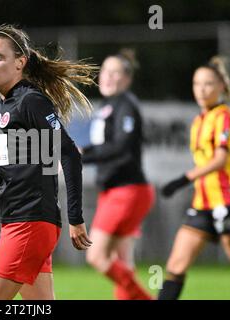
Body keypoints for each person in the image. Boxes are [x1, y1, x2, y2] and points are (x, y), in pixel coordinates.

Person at [0, 24, 96, 300]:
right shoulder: (0, 106)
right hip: (19, 222)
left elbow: (69, 153)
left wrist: (76, 216)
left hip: (31, 222)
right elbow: (4, 166)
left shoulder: (31, 101)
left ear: (20, 63)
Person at [81, 49, 155, 300]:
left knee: (97, 256)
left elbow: (122, 146)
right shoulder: (108, 106)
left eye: (115, 73)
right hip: (117, 190)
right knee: (120, 260)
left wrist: (83, 155)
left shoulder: (126, 105)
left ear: (127, 79)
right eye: (105, 71)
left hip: (127, 191)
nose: (108, 77)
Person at [158, 56, 230, 300]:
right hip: (202, 204)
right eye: (196, 83)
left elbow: (220, 160)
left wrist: (182, 179)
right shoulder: (198, 121)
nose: (201, 89)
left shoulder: (224, 117)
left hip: (227, 202)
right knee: (175, 266)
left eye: (208, 83)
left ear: (221, 86)